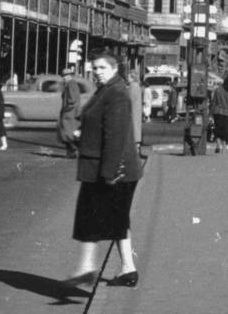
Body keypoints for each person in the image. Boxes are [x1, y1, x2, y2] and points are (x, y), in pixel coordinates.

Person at [67, 50, 142, 290]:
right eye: (94, 68)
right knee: (117, 219)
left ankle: (87, 269)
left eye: (102, 68)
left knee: (90, 220)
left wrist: (109, 174)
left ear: (114, 68)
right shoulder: (107, 90)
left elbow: (115, 136)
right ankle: (128, 269)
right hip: (108, 168)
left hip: (110, 170)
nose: (97, 72)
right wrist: (82, 133)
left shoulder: (116, 93)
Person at [59, 63, 95, 159]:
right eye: (64, 76)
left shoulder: (70, 85)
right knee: (71, 131)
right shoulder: (72, 84)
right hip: (73, 112)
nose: (64, 78)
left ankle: (73, 151)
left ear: (69, 76)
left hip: (70, 112)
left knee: (66, 131)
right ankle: (73, 150)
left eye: (65, 76)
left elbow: (71, 99)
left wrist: (67, 109)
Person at [209, 75, 228, 154]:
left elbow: (213, 103)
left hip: (217, 112)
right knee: (226, 132)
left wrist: (210, 114)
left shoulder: (217, 90)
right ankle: (224, 147)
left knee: (218, 130)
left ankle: (218, 145)